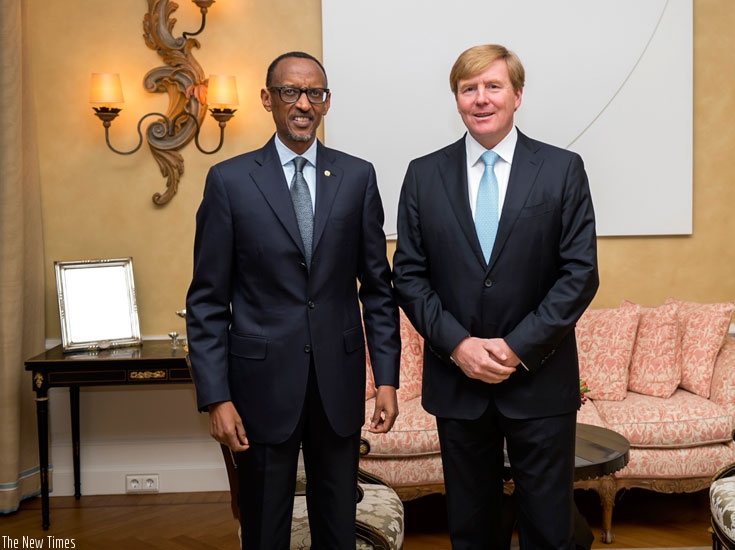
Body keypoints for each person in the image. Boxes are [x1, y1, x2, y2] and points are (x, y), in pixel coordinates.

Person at [185, 51, 401, 549]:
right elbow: (207, 302)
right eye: (290, 92)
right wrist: (216, 396)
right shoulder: (230, 182)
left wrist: (387, 379)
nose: (303, 104)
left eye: (315, 94)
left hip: (338, 388)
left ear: (327, 103)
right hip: (260, 389)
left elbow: (378, 290)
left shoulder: (357, 177)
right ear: (268, 99)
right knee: (264, 529)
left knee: (336, 529)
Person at [392, 44, 599, 549]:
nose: (480, 99)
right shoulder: (423, 175)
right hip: (457, 384)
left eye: (493, 86)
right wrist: (459, 346)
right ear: (457, 99)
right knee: (472, 528)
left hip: (539, 381)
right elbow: (409, 276)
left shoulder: (561, 169)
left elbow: (580, 274)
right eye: (469, 89)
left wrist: (515, 347)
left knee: (550, 529)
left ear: (517, 95)